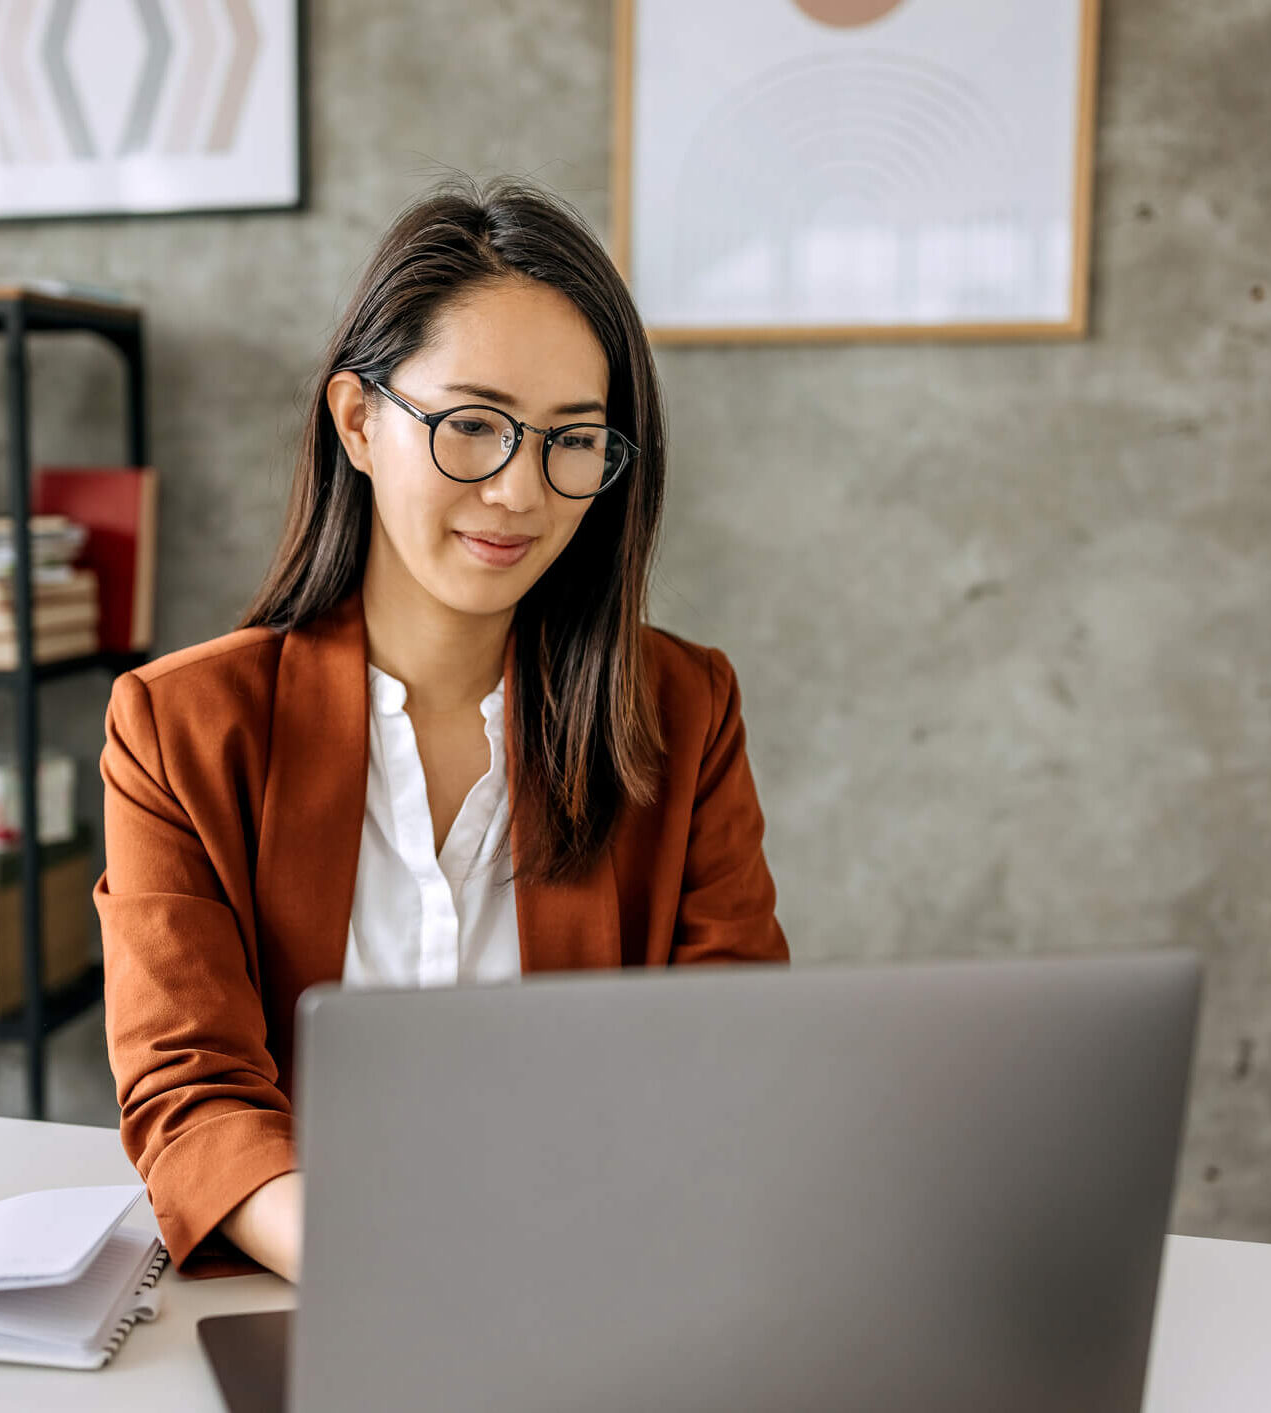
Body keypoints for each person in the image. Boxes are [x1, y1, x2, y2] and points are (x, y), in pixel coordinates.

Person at [96, 175, 789, 1284]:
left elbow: (732, 1061)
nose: (520, 490)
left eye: (573, 440)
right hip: (322, 1303)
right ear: (359, 422)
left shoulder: (682, 713)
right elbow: (192, 1093)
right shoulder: (181, 728)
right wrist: (382, 1273)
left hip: (605, 1288)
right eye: (472, 425)